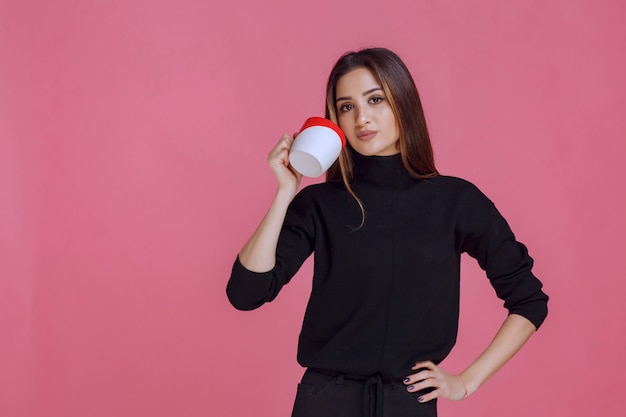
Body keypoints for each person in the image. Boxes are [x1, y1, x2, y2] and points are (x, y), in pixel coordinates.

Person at [226, 47, 548, 417]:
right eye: (346, 107)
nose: (362, 117)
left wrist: (466, 381)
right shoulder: (318, 204)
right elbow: (245, 294)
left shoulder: (457, 201)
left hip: (409, 403)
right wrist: (285, 192)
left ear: (402, 102)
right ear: (335, 122)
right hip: (325, 401)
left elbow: (529, 301)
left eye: (375, 99)